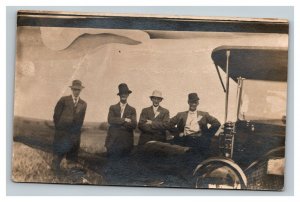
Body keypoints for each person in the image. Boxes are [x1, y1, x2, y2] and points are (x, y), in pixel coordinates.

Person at [52, 80, 87, 171]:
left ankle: (70, 175)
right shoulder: (63, 100)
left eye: (78, 90)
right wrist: (60, 128)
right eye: (75, 89)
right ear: (72, 89)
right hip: (62, 132)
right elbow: (56, 115)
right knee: (59, 153)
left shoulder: (83, 104)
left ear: (81, 90)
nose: (76, 91)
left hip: (74, 134)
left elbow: (81, 120)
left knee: (72, 155)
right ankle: (54, 173)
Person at [105, 83, 137, 157]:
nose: (123, 95)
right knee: (111, 164)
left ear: (128, 95)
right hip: (112, 142)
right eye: (122, 93)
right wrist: (125, 120)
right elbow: (110, 120)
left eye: (125, 93)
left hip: (126, 143)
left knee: (124, 166)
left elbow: (133, 125)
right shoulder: (112, 107)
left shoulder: (132, 110)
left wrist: (117, 123)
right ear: (119, 95)